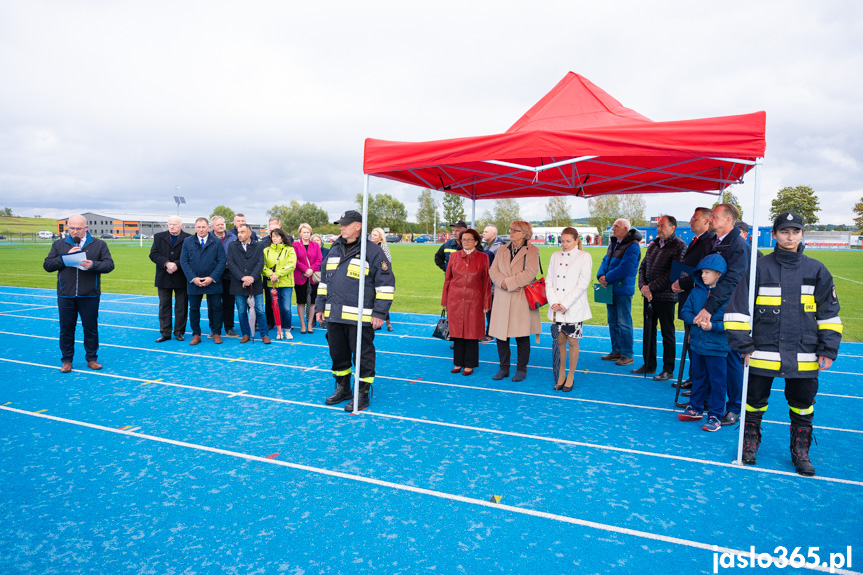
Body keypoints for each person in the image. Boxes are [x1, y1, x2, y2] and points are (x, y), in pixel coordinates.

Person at [725, 212, 842, 476]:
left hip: (804, 352)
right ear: (775, 234)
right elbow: (738, 309)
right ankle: (749, 445)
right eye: (784, 232)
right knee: (753, 402)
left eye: (795, 232)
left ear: (802, 234)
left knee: (803, 405)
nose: (790, 237)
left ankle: (800, 452)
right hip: (761, 351)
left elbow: (829, 314)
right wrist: (743, 345)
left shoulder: (817, 270)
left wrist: (828, 349)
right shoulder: (759, 268)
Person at [315, 210, 395, 411]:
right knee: (337, 353)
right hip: (334, 315)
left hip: (360, 317)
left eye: (345, 224)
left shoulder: (373, 251)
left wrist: (379, 313)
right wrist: (320, 307)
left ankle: (363, 392)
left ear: (358, 226)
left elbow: (385, 285)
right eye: (340, 224)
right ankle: (343, 388)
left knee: (362, 355)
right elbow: (324, 282)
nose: (341, 227)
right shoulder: (333, 249)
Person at [694, 203, 750, 426]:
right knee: (716, 357)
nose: (710, 220)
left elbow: (732, 281)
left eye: (715, 216)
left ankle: (735, 406)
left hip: (731, 308)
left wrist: (709, 307)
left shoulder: (738, 245)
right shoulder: (715, 241)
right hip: (716, 305)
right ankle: (712, 400)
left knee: (732, 359)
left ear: (728, 220)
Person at [43, 214, 115, 372]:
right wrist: (64, 258)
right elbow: (47, 265)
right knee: (66, 328)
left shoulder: (99, 245)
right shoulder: (59, 245)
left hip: (89, 294)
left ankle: (92, 359)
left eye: (78, 228)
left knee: (90, 328)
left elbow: (109, 265)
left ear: (86, 228)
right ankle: (67, 360)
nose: (74, 232)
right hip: (65, 294)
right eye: (72, 228)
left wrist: (93, 265)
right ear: (68, 228)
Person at [677, 254, 731, 432]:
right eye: (702, 272)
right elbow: (684, 311)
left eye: (708, 272)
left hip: (717, 347)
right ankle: (695, 408)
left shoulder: (727, 295)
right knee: (698, 378)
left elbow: (732, 322)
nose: (703, 276)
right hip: (697, 345)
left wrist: (713, 326)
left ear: (719, 274)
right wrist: (695, 320)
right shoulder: (696, 292)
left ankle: (715, 415)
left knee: (717, 382)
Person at [488, 220, 541, 382]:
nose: (510, 232)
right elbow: (493, 270)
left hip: (521, 298)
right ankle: (504, 368)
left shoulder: (532, 250)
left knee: (521, 336)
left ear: (524, 234)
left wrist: (509, 283)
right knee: (501, 335)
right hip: (503, 296)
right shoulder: (502, 249)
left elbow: (531, 272)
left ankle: (521, 369)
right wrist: (504, 283)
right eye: (510, 229)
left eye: (515, 230)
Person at [634, 215, 686, 381]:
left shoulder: (680, 246)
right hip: (648, 296)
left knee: (667, 333)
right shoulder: (654, 245)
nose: (658, 229)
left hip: (666, 297)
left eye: (662, 226)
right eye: (658, 226)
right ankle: (649, 364)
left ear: (673, 228)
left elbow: (673, 274)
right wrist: (643, 287)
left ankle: (668, 369)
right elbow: (642, 268)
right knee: (648, 331)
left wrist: (651, 287)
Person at [671, 207, 716, 392]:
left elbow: (703, 271)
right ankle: (693, 378)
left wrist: (683, 282)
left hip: (698, 298)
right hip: (688, 297)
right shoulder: (696, 241)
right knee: (691, 341)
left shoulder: (709, 242)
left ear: (707, 221)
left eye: (694, 218)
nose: (690, 221)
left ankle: (699, 383)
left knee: (697, 342)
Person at [546, 227, 592, 391]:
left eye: (568, 241)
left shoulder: (584, 257)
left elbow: (583, 283)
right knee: (559, 341)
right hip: (556, 307)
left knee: (572, 341)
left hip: (573, 308)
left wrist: (565, 304)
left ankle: (571, 374)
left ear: (576, 240)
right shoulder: (554, 256)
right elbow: (549, 280)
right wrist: (553, 302)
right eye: (562, 241)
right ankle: (561, 373)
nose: (564, 244)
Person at [441, 228, 491, 376]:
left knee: (471, 332)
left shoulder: (483, 257)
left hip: (474, 300)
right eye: (464, 240)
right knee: (456, 332)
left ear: (476, 241)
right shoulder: (454, 256)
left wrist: (486, 303)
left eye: (469, 239)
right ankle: (458, 362)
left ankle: (469, 364)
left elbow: (486, 282)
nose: (466, 242)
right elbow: (448, 279)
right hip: (455, 299)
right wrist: (445, 300)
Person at [596, 219, 642, 367]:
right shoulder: (614, 243)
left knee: (624, 323)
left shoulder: (633, 246)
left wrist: (606, 278)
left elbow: (625, 268)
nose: (613, 228)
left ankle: (627, 354)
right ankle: (616, 351)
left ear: (626, 229)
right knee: (613, 321)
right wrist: (600, 276)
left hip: (622, 289)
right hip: (610, 288)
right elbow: (605, 261)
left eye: (616, 226)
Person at [180, 217, 225, 345]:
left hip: (213, 282)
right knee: (194, 309)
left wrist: (212, 278)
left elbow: (221, 261)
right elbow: (184, 261)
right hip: (194, 282)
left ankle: (216, 333)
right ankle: (196, 334)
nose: (201, 229)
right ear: (195, 228)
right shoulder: (187, 242)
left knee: (216, 308)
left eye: (203, 227)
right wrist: (193, 278)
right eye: (198, 227)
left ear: (208, 228)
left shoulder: (216, 242)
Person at [149, 216, 190, 343]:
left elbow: (189, 256)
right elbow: (153, 254)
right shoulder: (159, 237)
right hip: (164, 276)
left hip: (181, 277)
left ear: (181, 225)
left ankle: (179, 332)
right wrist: (166, 263)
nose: (172, 226)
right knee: (164, 306)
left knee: (181, 306)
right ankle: (165, 332)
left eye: (175, 224)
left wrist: (176, 264)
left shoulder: (188, 238)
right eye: (170, 224)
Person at [227, 224, 270, 344]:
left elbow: (260, 263)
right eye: (238, 232)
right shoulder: (232, 246)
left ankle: (264, 334)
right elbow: (231, 263)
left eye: (242, 232)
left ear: (249, 233)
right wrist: (242, 278)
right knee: (241, 311)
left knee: (260, 310)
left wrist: (251, 278)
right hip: (238, 284)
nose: (239, 234)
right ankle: (245, 334)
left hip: (255, 284)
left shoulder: (259, 245)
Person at [262, 228, 297, 340]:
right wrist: (271, 274)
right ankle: (279, 330)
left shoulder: (290, 249)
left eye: (277, 236)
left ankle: (287, 330)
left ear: (282, 237)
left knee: (286, 308)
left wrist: (277, 274)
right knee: (275, 308)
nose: (275, 238)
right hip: (272, 284)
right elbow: (263, 266)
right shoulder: (266, 250)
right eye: (273, 236)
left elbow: (291, 265)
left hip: (286, 283)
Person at [211, 216, 238, 337]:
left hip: (229, 275)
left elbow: (237, 253)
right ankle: (214, 329)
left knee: (229, 302)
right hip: (213, 276)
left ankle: (229, 328)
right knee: (213, 304)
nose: (221, 226)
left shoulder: (233, 237)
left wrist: (229, 263)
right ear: (213, 226)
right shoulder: (208, 237)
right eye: (218, 225)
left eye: (222, 224)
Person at [294, 222, 322, 334]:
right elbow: (295, 260)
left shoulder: (315, 245)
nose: (306, 234)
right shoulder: (295, 245)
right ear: (300, 233)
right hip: (300, 277)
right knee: (301, 301)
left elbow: (319, 259)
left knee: (313, 302)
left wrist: (311, 269)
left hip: (313, 277)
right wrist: (305, 269)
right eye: (304, 232)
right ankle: (302, 325)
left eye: (308, 232)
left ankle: (310, 324)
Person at [480, 225, 505, 343]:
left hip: (493, 283)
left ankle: (491, 333)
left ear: (494, 234)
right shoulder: (486, 244)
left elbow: (500, 268)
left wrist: (495, 285)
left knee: (491, 309)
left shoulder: (499, 246)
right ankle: (488, 332)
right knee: (487, 308)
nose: (483, 233)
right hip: (485, 281)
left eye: (486, 232)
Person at [369, 227, 394, 331]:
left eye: (375, 235)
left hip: (381, 276)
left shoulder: (383, 247)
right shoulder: (368, 246)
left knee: (381, 299)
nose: (372, 237)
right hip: (370, 276)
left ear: (380, 237)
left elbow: (387, 261)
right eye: (372, 234)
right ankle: (375, 323)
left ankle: (388, 323)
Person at [262, 217, 282, 332]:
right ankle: (270, 321)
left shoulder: (287, 240)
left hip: (282, 277)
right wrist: (270, 274)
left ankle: (283, 322)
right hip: (268, 277)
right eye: (270, 231)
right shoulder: (263, 242)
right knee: (269, 300)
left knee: (283, 300)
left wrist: (278, 273)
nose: (273, 233)